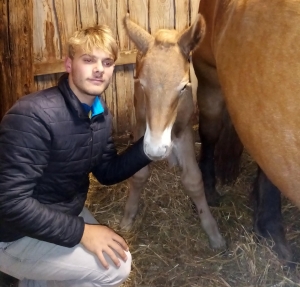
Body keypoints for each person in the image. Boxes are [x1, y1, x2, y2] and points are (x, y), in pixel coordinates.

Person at [0, 25, 151, 287]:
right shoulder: (32, 115)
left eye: (107, 62)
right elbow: (10, 202)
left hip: (61, 209)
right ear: (68, 64)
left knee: (108, 258)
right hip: (11, 234)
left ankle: (33, 280)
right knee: (116, 268)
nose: (99, 69)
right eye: (88, 60)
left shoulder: (99, 115)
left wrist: (148, 147)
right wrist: (82, 232)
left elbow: (106, 172)